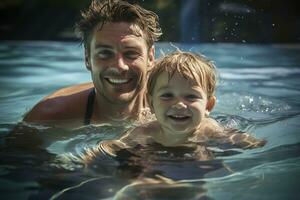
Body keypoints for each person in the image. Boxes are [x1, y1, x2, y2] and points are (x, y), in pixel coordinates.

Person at [81, 51, 266, 165]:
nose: (179, 104)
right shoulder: (146, 131)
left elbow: (248, 143)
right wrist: (89, 157)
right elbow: (113, 146)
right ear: (151, 103)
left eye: (191, 96)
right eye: (167, 95)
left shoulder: (209, 130)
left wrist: (256, 145)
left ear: (208, 105)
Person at [23, 0, 162, 128]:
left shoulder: (175, 105)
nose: (120, 66)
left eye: (131, 53)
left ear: (150, 58)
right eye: (105, 53)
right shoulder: (48, 116)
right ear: (87, 59)